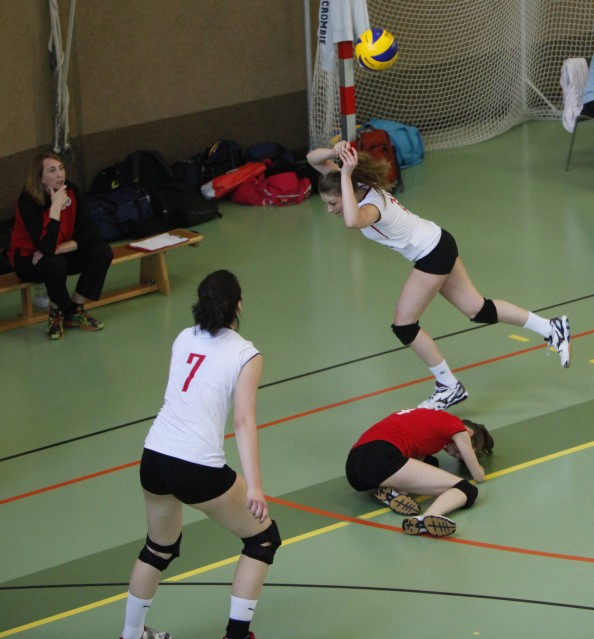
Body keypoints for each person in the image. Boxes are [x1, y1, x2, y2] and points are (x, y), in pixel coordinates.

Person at [307, 142, 571, 409]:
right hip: (438, 242)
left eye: (333, 203)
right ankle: (551, 328)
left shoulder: (371, 205)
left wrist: (344, 173)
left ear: (347, 190)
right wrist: (334, 154)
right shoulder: (354, 187)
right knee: (479, 310)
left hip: (432, 253)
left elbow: (353, 221)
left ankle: (448, 386)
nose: (330, 209)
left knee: (404, 326)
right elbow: (312, 158)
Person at [119, 270, 281, 639]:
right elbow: (242, 422)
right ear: (238, 305)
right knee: (263, 539)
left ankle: (131, 634)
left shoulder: (183, 337)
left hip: (154, 456)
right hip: (196, 466)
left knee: (158, 548)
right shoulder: (246, 354)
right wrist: (255, 487)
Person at [8, 152, 112, 339]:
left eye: (61, 168)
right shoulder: (27, 201)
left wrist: (61, 248)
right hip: (27, 259)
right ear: (40, 177)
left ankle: (75, 308)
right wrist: (55, 207)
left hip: (57, 251)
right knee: (56, 264)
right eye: (52, 170)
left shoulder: (71, 190)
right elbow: (45, 247)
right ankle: (60, 313)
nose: (59, 174)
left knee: (102, 252)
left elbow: (93, 233)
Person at [345, 407, 494, 537]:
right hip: (381, 457)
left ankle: (391, 491)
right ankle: (427, 518)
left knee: (431, 463)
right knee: (466, 489)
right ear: (469, 432)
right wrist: (478, 465)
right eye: (459, 451)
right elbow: (478, 476)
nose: (451, 454)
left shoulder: (430, 418)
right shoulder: (458, 429)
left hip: (354, 468)